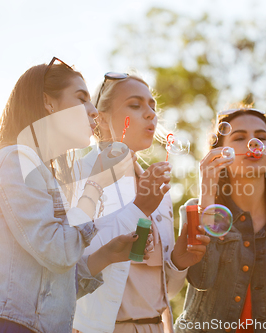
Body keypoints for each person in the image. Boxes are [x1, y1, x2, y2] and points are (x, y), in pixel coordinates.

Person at [0, 58, 146, 333]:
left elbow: (55, 285)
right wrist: (96, 183)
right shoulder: (15, 160)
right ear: (48, 103)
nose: (93, 111)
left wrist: (107, 254)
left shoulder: (42, 173)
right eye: (81, 98)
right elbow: (58, 252)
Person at [72, 73, 211, 333]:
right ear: (100, 118)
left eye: (152, 106)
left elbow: (166, 290)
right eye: (135, 105)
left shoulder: (154, 185)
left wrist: (179, 261)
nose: (150, 114)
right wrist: (139, 209)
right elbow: (72, 264)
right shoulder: (78, 175)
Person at [174, 107, 266, 333]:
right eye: (239, 137)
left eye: (261, 138)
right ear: (221, 154)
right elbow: (200, 279)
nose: (253, 144)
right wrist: (207, 191)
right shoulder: (196, 209)